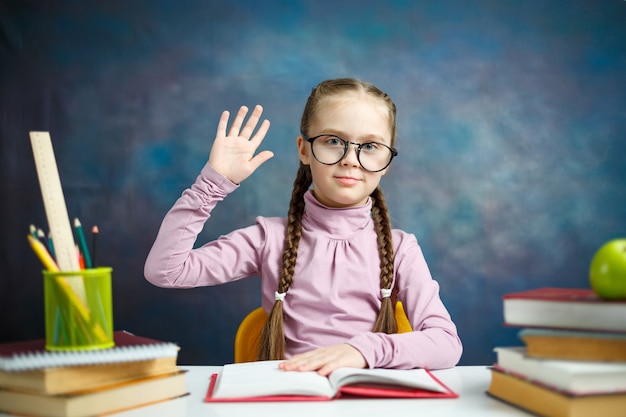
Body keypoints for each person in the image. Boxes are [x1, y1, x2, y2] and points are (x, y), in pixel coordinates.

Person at [144, 78, 462, 375]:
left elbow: (447, 344)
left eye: (370, 146)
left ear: (387, 161)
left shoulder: (401, 249)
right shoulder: (268, 239)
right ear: (304, 149)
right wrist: (212, 184)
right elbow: (166, 270)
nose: (351, 159)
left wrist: (362, 351)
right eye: (333, 141)